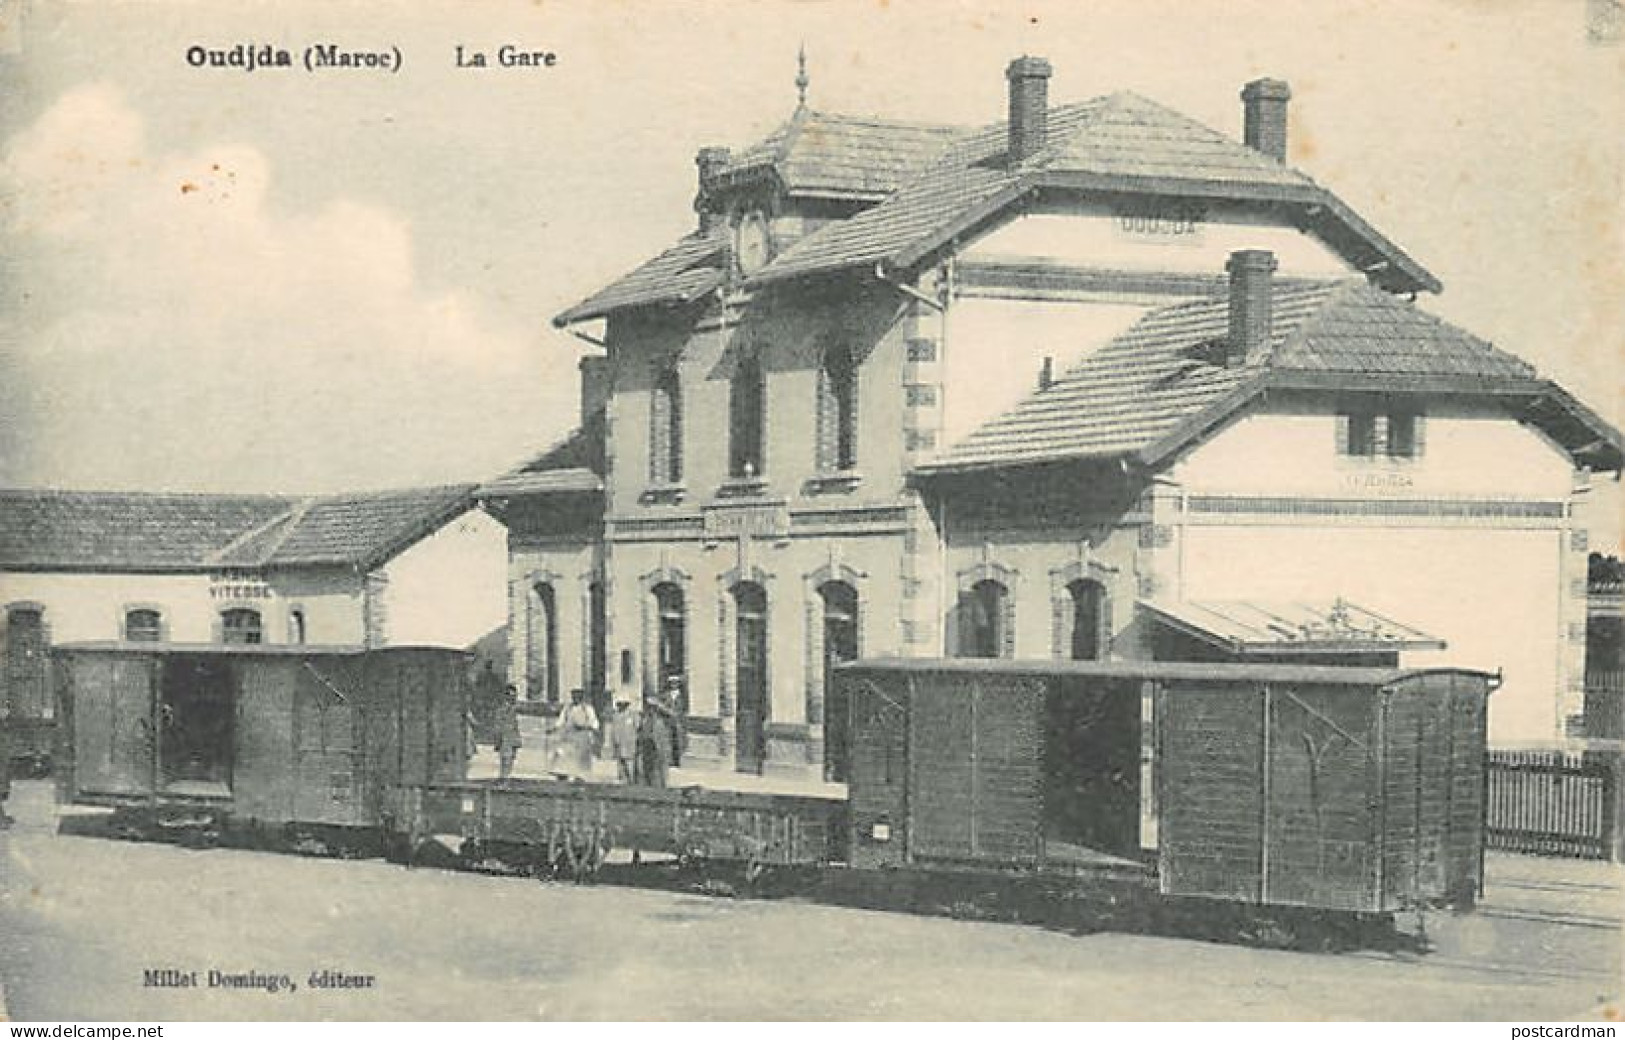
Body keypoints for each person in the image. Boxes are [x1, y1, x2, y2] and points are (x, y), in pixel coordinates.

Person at [637, 688, 679, 789]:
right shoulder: (645, 718)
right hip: (648, 748)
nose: (650, 709)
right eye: (648, 706)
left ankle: (661, 787)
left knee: (661, 770)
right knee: (649, 771)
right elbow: (641, 732)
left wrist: (660, 706)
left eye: (652, 707)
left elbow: (673, 716)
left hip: (660, 748)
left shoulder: (662, 720)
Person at [557, 688, 600, 779]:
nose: (575, 698)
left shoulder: (587, 708)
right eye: (574, 696)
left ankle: (580, 775)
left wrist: (589, 728)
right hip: (569, 735)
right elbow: (561, 720)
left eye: (578, 696)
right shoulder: (568, 708)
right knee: (565, 753)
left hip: (582, 735)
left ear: (581, 697)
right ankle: (563, 773)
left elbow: (593, 722)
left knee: (581, 757)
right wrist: (555, 728)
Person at [606, 689, 641, 784]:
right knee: (620, 765)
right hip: (618, 743)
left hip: (630, 744)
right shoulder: (615, 716)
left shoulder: (633, 715)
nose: (621, 706)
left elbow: (638, 728)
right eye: (619, 704)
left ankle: (632, 782)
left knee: (630, 764)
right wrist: (612, 742)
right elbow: (613, 730)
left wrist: (636, 741)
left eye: (623, 704)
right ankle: (623, 781)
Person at [494, 684, 522, 780]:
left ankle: (506, 776)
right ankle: (503, 777)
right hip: (505, 736)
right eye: (511, 696)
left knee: (511, 758)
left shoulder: (515, 708)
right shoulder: (502, 709)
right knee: (506, 758)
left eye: (515, 696)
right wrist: (498, 739)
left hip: (513, 736)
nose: (514, 698)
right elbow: (498, 724)